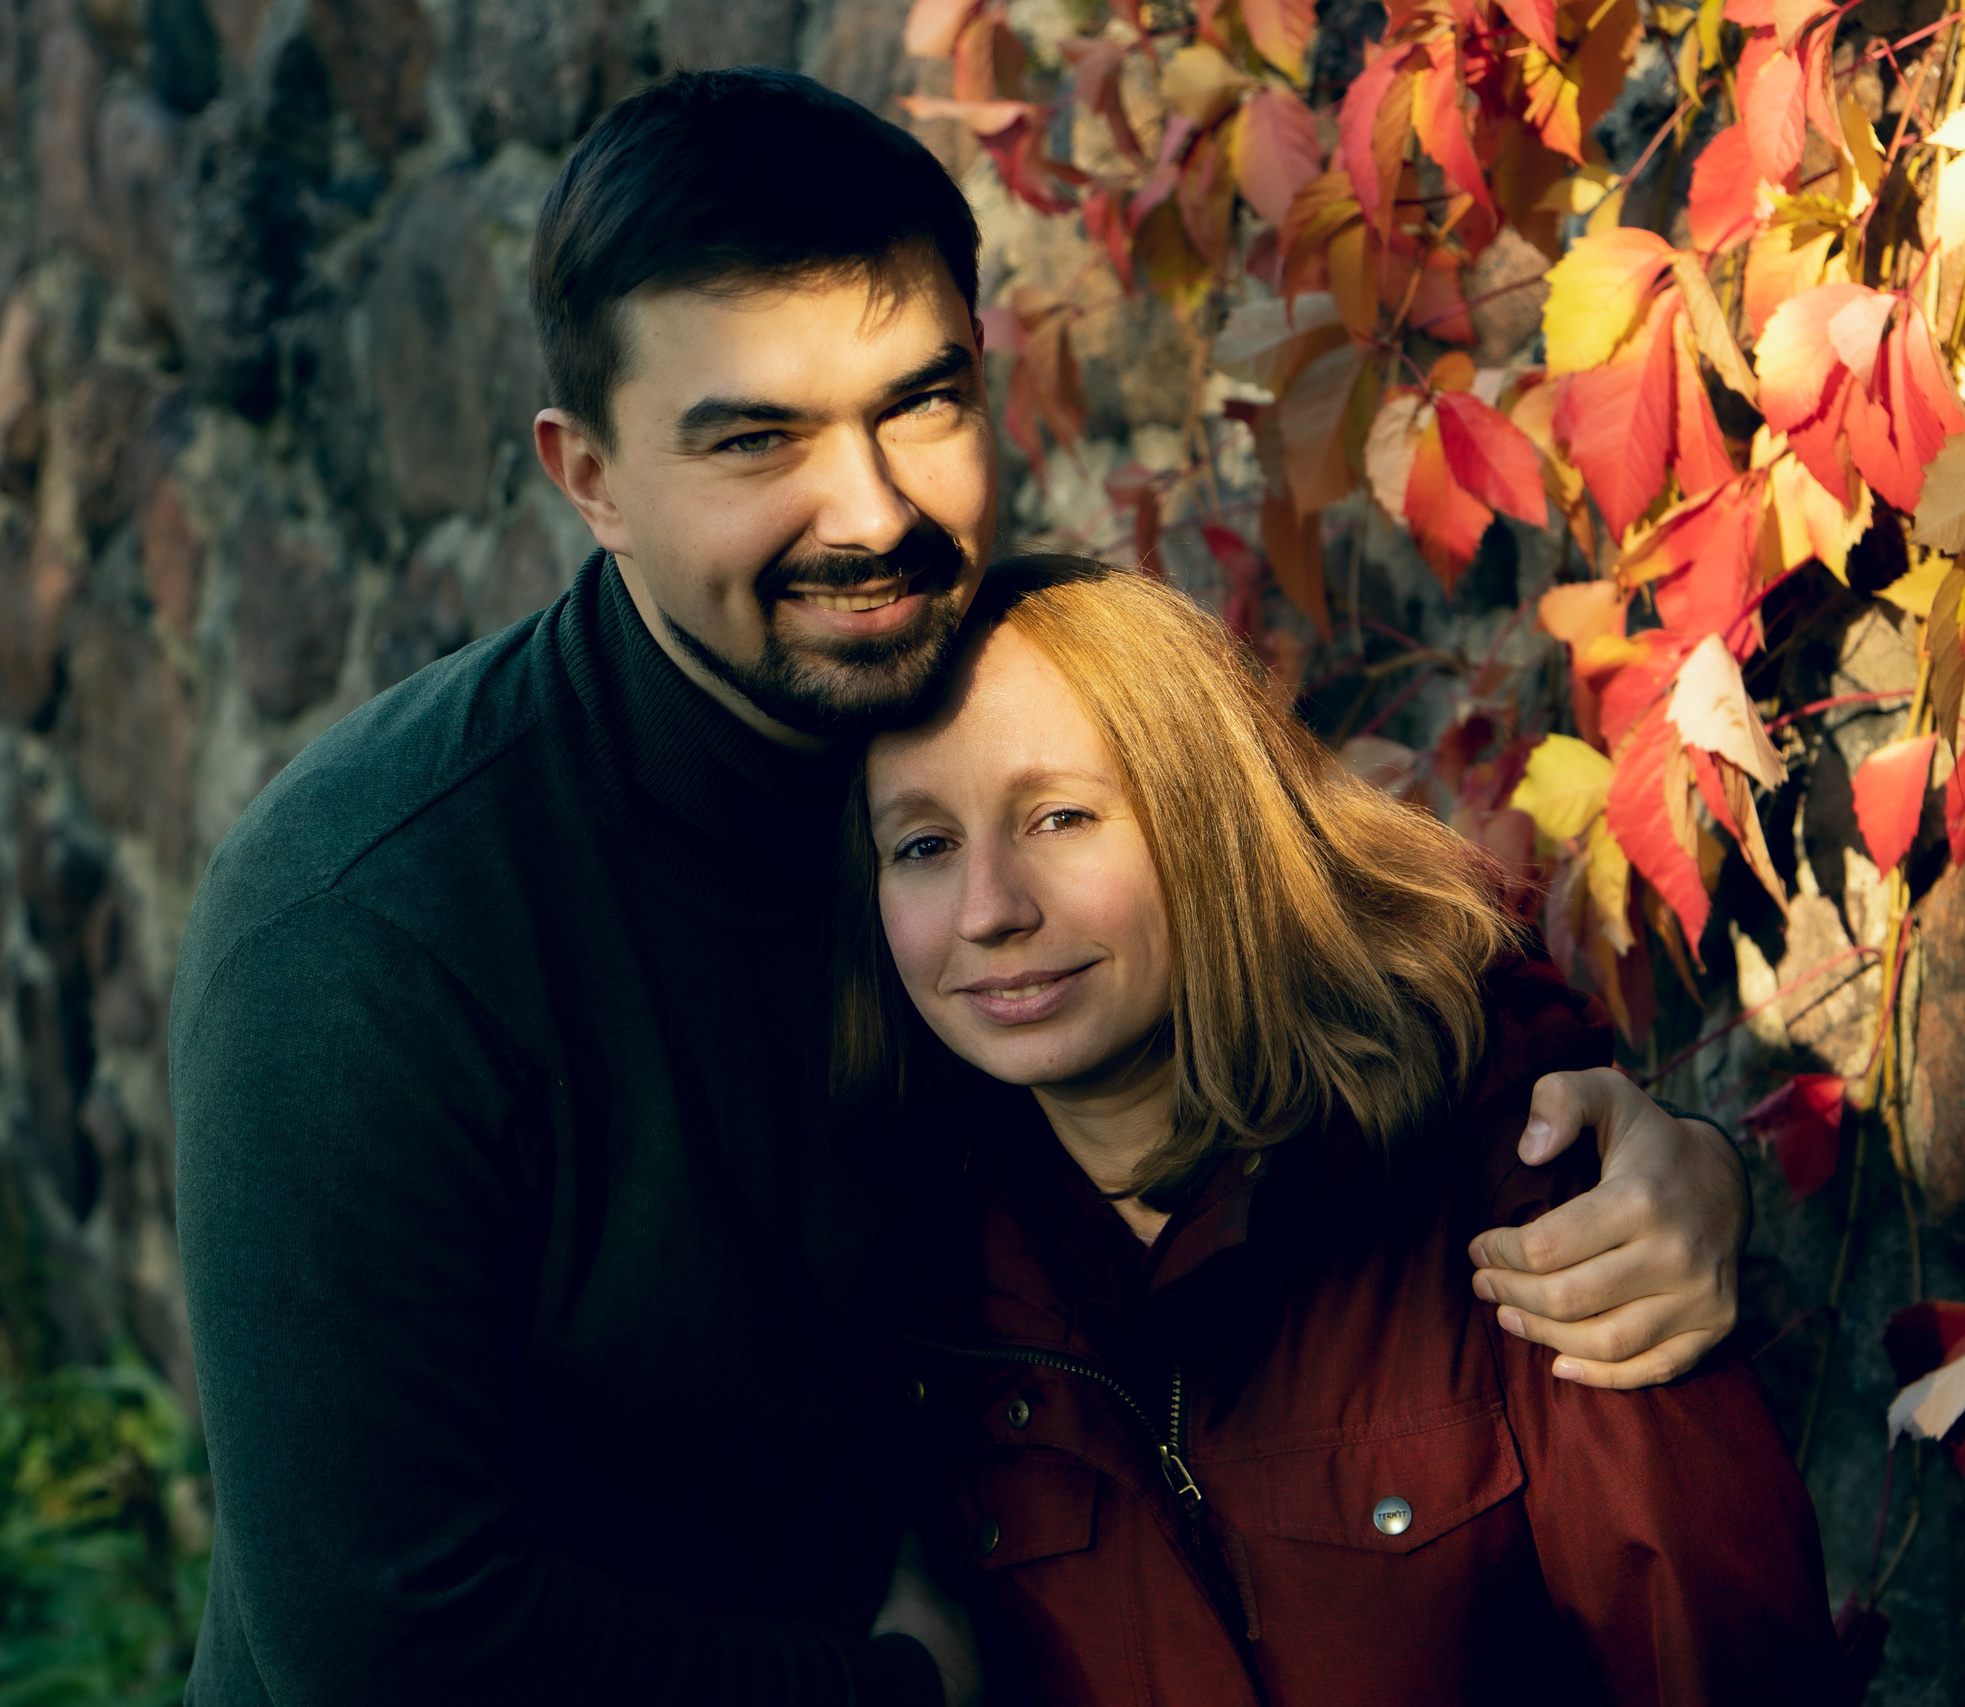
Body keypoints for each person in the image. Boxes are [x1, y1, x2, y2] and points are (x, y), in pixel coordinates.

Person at [169, 68, 1756, 1707]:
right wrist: (901, 1691)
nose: (871, 514)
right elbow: (377, 1641)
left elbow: (1331, 976)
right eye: (756, 440)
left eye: (919, 403)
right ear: (592, 479)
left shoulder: (989, 706)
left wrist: (1663, 1164)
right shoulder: (370, 932)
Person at [853, 558, 1842, 1705]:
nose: (989, 910)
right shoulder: (911, 1287)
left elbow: (1714, 1656)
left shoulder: (1504, 1184)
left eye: (1061, 817)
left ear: (1204, 819)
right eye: (922, 845)